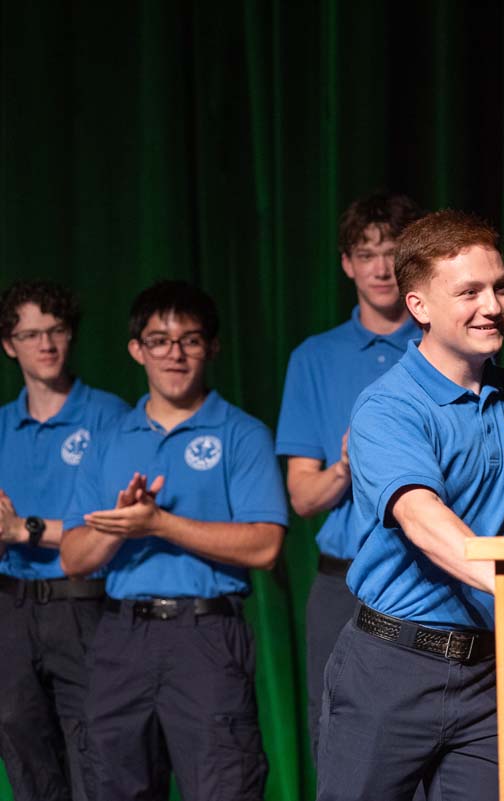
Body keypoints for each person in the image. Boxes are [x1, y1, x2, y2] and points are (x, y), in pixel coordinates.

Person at [316, 210, 504, 801]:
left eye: (500, 287)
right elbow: (425, 523)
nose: (493, 305)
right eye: (469, 292)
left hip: (493, 673)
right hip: (391, 665)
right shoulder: (388, 406)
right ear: (419, 306)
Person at [60, 281, 288, 801]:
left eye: (189, 339)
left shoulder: (243, 434)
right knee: (112, 784)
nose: (175, 353)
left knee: (223, 786)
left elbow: (265, 546)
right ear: (137, 350)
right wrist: (120, 523)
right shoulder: (108, 439)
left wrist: (160, 524)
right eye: (159, 340)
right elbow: (74, 559)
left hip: (207, 636)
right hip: (120, 636)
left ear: (212, 347)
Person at [275, 191, 424, 755]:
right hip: (343, 583)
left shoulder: (447, 344)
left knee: (430, 732)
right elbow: (302, 497)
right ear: (347, 265)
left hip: (430, 576)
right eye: (366, 254)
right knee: (336, 732)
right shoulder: (314, 358)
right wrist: (344, 464)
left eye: (393, 252)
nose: (382, 268)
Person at [0, 281, 128, 801]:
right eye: (30, 334)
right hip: (10, 608)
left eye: (55, 330)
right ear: (10, 345)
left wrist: (22, 528)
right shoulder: (3, 426)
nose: (45, 344)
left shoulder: (111, 416)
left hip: (84, 607)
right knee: (20, 742)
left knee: (95, 751)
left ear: (70, 336)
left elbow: (112, 522)